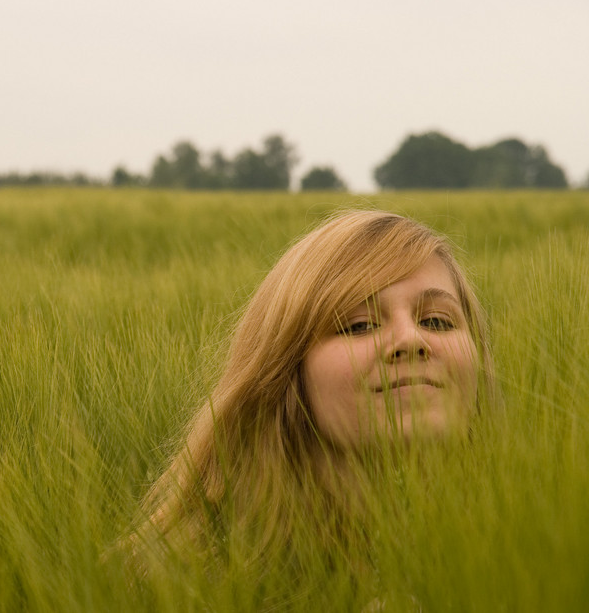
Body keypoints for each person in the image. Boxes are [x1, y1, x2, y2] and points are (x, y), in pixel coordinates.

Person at [128, 209, 495, 574]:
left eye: (436, 321)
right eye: (359, 326)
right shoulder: (184, 581)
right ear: (287, 373)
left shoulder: (528, 552)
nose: (410, 340)